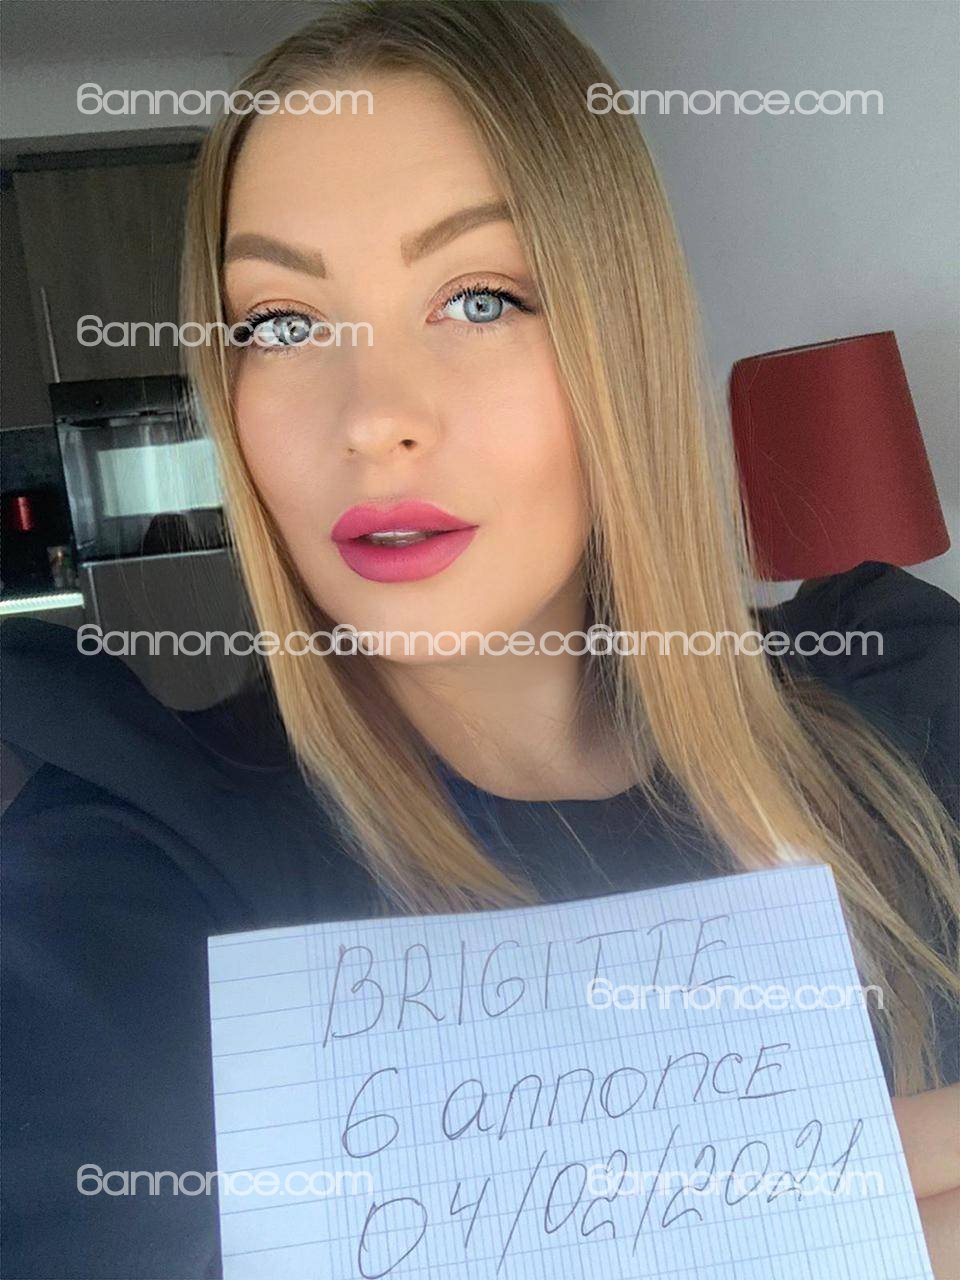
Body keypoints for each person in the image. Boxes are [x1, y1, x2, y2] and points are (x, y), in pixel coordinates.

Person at [2, 3, 957, 1276]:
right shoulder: (141, 870)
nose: (373, 417)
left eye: (480, 297)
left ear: (623, 340)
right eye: (280, 323)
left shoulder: (906, 705)